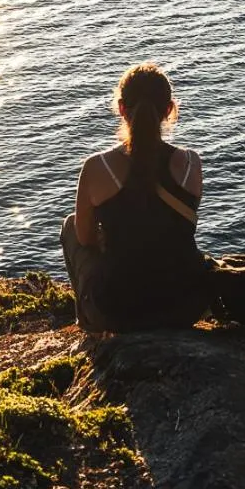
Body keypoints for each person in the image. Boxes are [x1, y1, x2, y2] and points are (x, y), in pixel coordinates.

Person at [61, 64, 214, 332]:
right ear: (169, 110)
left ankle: (86, 321)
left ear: (121, 109)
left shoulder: (97, 167)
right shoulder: (191, 163)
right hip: (186, 305)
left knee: (71, 227)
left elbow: (85, 239)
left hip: (117, 313)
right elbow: (174, 230)